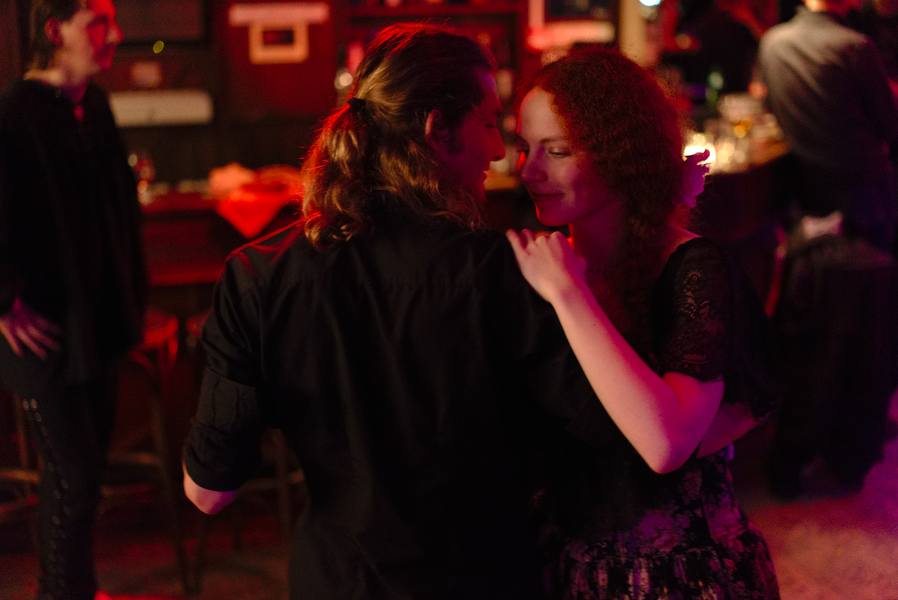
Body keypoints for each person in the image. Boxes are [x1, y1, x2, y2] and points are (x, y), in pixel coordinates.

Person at [182, 24, 612, 600]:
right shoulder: (511, 271)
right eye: (489, 123)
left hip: (339, 582)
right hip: (483, 581)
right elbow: (597, 444)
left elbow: (208, 491)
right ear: (437, 129)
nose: (498, 150)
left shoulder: (259, 275)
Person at [506, 47, 780, 598]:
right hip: (566, 564)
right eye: (523, 147)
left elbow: (665, 443)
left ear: (621, 155)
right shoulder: (544, 265)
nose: (528, 170)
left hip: (676, 575)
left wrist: (569, 295)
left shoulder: (692, 268)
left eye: (555, 151)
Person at [0, 1, 146, 599]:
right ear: (55, 30)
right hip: (47, 333)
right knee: (72, 477)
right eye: (98, 22)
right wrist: (3, 303)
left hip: (98, 326)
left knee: (84, 477)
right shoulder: (14, 113)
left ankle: (74, 589)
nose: (115, 34)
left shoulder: (95, 105)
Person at [758, 0, 898, 253]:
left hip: (805, 198)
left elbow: (769, 109)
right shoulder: (855, 47)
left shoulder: (772, 44)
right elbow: (891, 127)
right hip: (866, 202)